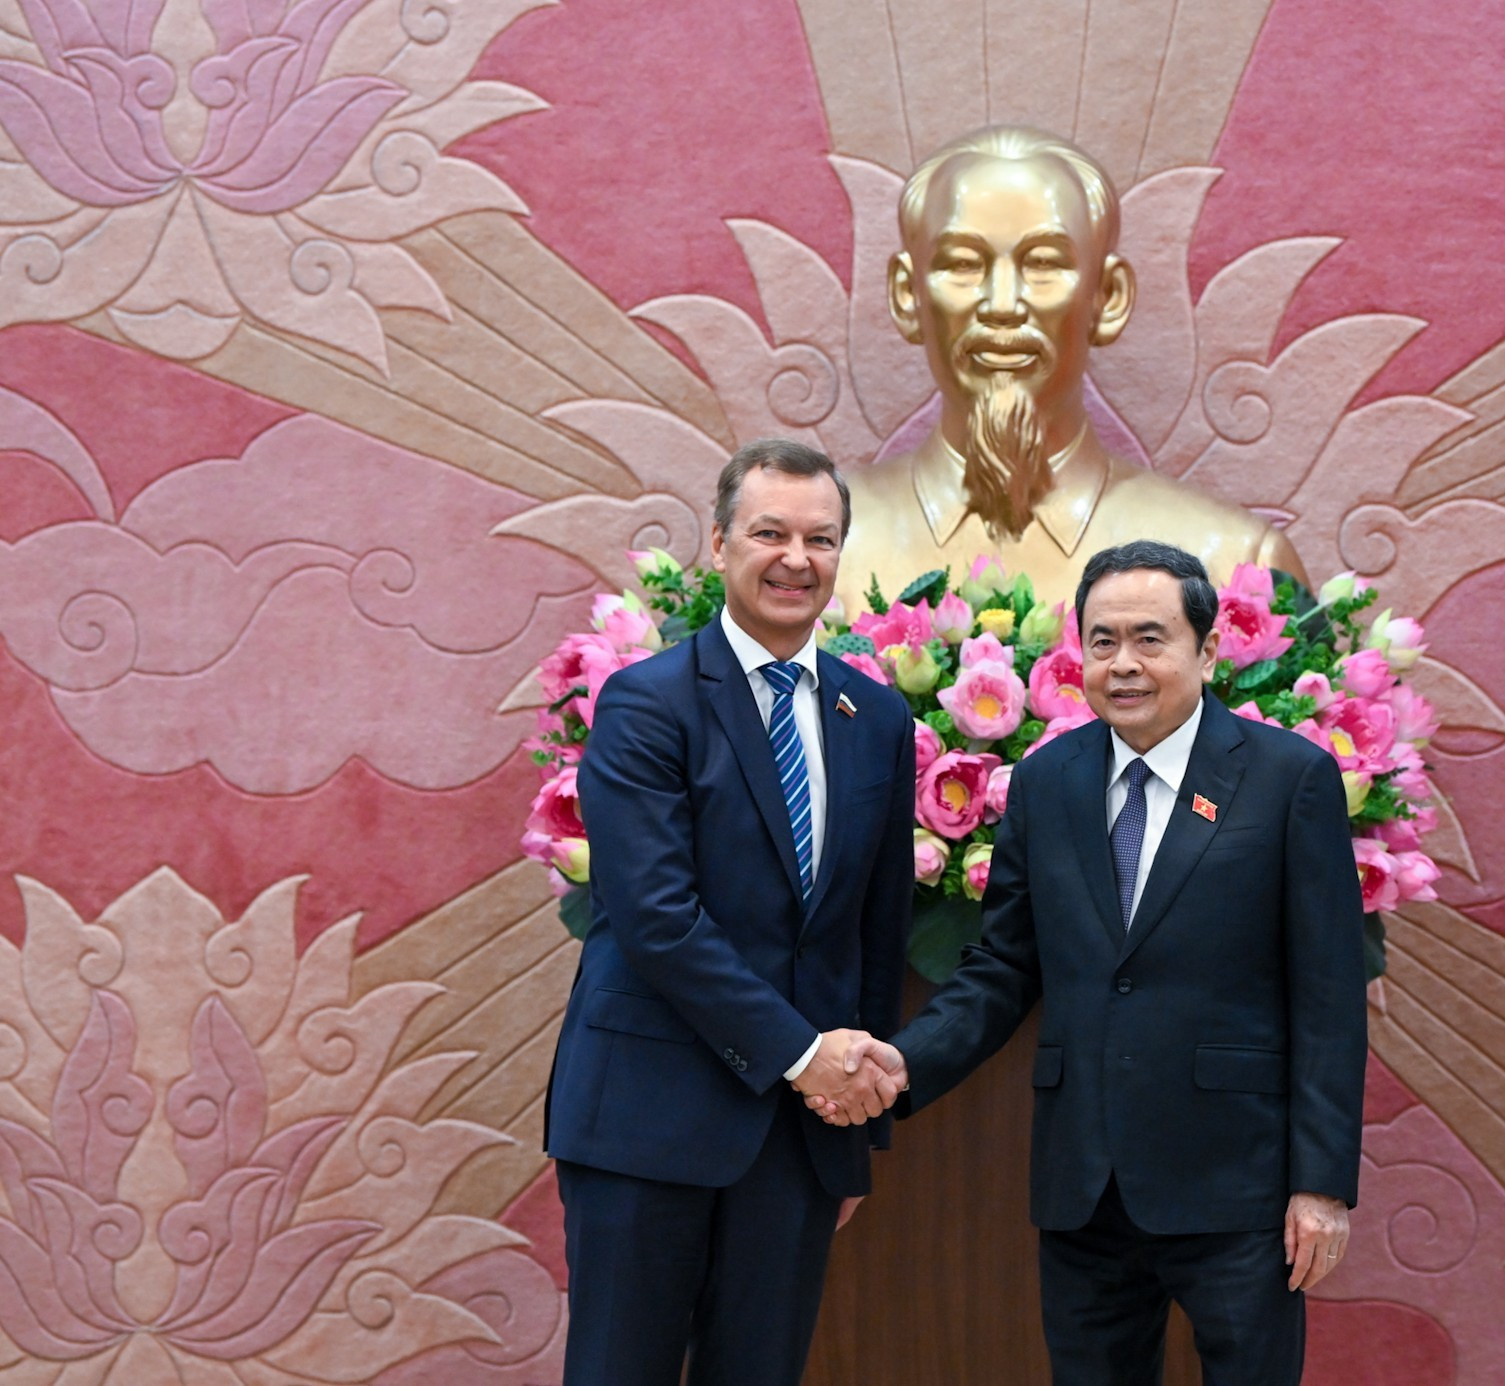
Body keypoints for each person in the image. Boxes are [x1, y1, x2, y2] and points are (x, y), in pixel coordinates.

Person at [814, 539, 1368, 1386]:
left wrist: (1321, 1186)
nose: (1124, 664)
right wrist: (902, 1061)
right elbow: (1004, 965)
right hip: (1086, 1185)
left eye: (1151, 639)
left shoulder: (1289, 780)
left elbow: (1328, 995)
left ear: (1207, 649)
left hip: (1239, 1186)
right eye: (1103, 642)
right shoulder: (1046, 782)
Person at [544, 438, 914, 1386]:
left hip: (796, 1138)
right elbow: (657, 916)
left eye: (821, 539)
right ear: (717, 545)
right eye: (770, 533)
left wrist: (851, 1128)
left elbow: (874, 930)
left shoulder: (876, 722)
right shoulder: (646, 703)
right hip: (646, 1121)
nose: (797, 559)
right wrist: (803, 1056)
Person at [837, 125, 1306, 607]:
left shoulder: (1236, 569)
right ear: (905, 296)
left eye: (1042, 264)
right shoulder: (819, 560)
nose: (1002, 304)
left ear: (1109, 298)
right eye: (962, 264)